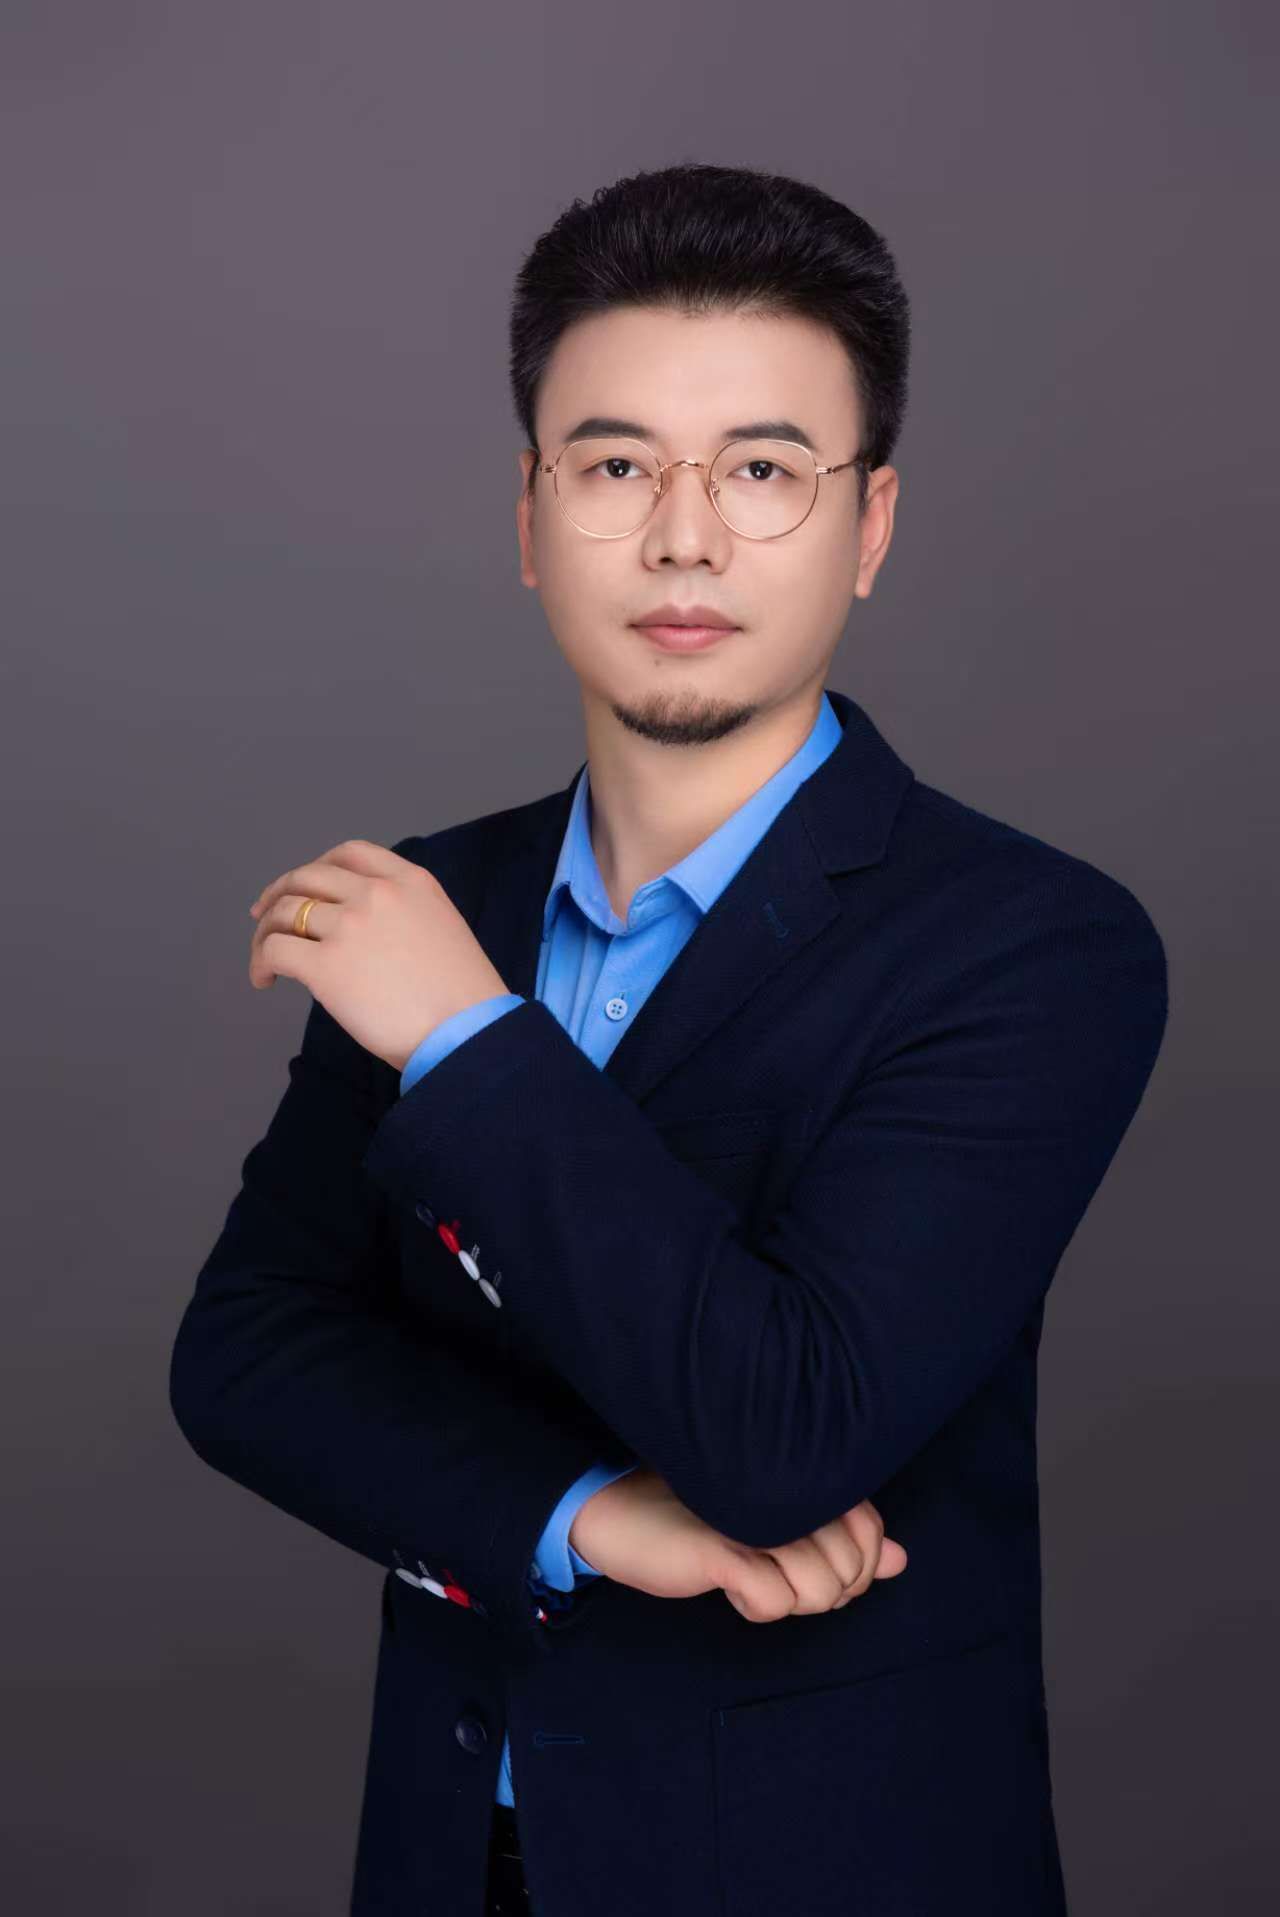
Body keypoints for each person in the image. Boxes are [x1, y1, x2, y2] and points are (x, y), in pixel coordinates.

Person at [168, 162, 1169, 1916]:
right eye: (617, 465)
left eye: (764, 470)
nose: (685, 537)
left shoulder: (1035, 945)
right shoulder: (441, 896)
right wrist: (587, 1514)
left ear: (869, 527)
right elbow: (246, 1356)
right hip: (450, 1856)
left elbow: (784, 1428)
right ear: (532, 513)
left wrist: (464, 1033)